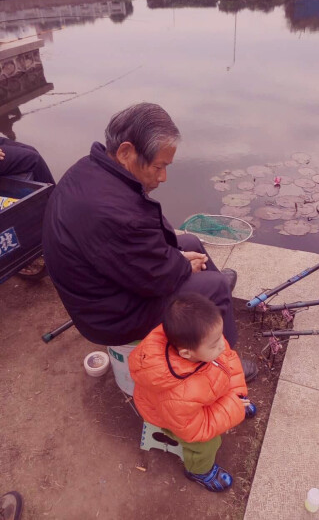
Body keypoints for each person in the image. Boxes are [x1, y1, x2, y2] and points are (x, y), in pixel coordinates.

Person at [42, 102, 257, 381]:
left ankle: (217, 307)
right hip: (108, 314)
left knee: (189, 242)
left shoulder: (93, 168)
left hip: (107, 285)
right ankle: (225, 369)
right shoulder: (110, 212)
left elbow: (141, 254)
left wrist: (179, 259)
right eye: (159, 166)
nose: (163, 177)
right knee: (211, 287)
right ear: (126, 152)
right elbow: (155, 279)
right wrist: (179, 266)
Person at [129, 293, 257, 492]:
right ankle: (199, 470)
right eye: (215, 344)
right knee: (206, 444)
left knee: (226, 388)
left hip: (196, 399)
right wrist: (232, 407)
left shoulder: (201, 341)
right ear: (186, 354)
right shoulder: (176, 394)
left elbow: (228, 362)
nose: (223, 345)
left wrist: (237, 394)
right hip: (176, 419)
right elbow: (195, 430)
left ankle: (236, 402)